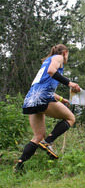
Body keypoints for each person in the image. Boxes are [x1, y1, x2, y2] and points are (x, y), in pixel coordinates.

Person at [13, 44, 80, 173]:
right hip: (42, 98)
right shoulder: (58, 58)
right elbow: (51, 71)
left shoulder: (45, 64)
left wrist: (61, 99)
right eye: (68, 55)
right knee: (71, 118)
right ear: (65, 52)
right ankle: (48, 142)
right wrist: (70, 83)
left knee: (38, 136)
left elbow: (42, 85)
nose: (67, 58)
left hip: (30, 100)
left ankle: (19, 167)